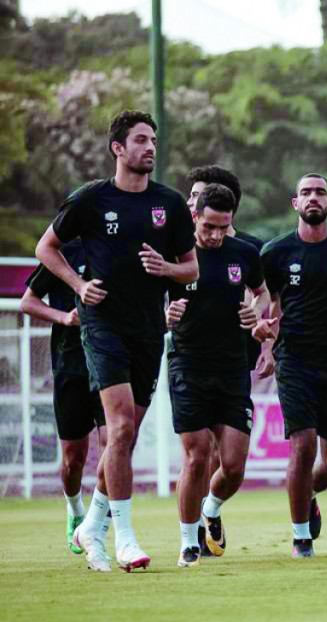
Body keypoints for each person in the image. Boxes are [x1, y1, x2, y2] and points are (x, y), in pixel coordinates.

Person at [34, 110, 198, 572]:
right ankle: (123, 537)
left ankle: (91, 525)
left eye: (153, 141)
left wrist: (167, 269)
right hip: (102, 325)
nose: (150, 148)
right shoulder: (91, 199)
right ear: (118, 148)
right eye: (141, 140)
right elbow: (45, 247)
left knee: (125, 437)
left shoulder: (169, 204)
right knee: (120, 427)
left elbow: (191, 268)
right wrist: (78, 284)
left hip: (149, 329)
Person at [258, 174, 327, 559]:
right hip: (295, 361)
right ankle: (301, 538)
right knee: (302, 445)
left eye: (320, 192)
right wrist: (265, 342)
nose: (313, 198)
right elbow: (265, 302)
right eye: (305, 192)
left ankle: (305, 495)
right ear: (295, 203)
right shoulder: (275, 253)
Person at [165, 183, 269, 567]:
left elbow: (262, 292)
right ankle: (188, 542)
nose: (214, 235)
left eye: (223, 227)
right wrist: (166, 314)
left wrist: (255, 310)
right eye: (208, 226)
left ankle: (211, 507)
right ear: (195, 216)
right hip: (188, 365)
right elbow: (152, 297)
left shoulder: (244, 254)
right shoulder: (175, 254)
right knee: (196, 456)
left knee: (234, 466)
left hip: (232, 368)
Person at [19, 240, 109, 561]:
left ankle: (97, 523)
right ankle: (75, 509)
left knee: (115, 444)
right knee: (74, 459)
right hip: (70, 366)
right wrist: (64, 318)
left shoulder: (117, 246)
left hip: (110, 364)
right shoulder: (63, 254)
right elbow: (27, 302)